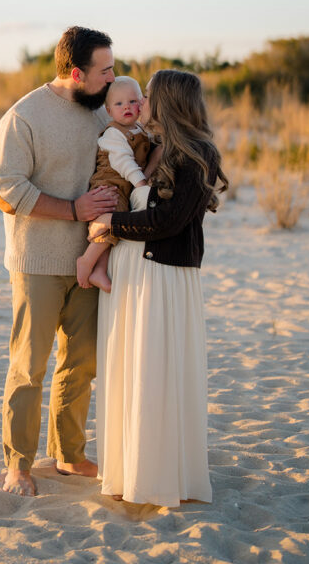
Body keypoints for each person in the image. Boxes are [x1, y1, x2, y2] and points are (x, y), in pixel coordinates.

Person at [0, 26, 120, 497]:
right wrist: (71, 209)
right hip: (37, 261)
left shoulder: (102, 113)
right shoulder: (24, 116)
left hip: (89, 260)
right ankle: (17, 465)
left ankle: (68, 455)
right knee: (29, 366)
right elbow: (7, 190)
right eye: (104, 71)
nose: (112, 78)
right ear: (75, 72)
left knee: (81, 364)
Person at [91, 69, 228, 507]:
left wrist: (110, 222)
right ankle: (130, 469)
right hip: (134, 272)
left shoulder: (196, 154)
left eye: (147, 96)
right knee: (133, 371)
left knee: (156, 371)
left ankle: (157, 476)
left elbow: (167, 222)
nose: (141, 102)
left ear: (166, 101)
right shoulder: (152, 146)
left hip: (162, 276)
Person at [75, 77, 158, 293]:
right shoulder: (113, 133)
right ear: (109, 111)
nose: (127, 107)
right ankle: (87, 260)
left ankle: (99, 270)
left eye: (132, 101)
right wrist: (141, 182)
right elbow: (123, 161)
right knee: (114, 219)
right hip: (110, 183)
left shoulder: (141, 131)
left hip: (125, 186)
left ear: (141, 103)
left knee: (115, 230)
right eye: (119, 104)